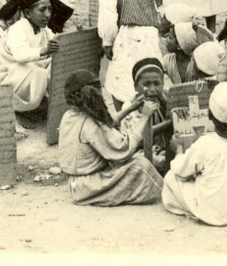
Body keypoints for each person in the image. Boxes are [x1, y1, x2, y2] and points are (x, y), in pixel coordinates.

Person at [58, 70, 164, 206]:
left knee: (135, 161)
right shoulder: (90, 124)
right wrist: (145, 116)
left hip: (76, 183)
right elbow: (123, 148)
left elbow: (106, 123)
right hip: (88, 186)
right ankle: (167, 193)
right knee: (142, 166)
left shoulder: (69, 115)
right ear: (93, 95)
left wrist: (130, 108)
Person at [161, 82, 227, 226]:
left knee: (171, 177)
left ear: (209, 114)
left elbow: (180, 172)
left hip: (215, 215)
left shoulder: (205, 144)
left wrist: (178, 150)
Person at [98, 0, 162, 109]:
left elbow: (108, 18)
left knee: (121, 85)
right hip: (150, 37)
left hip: (128, 36)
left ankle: (125, 119)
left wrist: (107, 42)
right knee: (145, 81)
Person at [0, 0, 59, 126]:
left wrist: (68, 40)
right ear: (28, 13)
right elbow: (20, 55)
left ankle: (31, 103)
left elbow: (56, 40)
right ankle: (19, 109)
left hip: (20, 76)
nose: (47, 14)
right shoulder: (18, 28)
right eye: (42, 10)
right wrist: (44, 51)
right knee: (38, 72)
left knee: (52, 65)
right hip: (3, 78)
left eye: (49, 9)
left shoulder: (43, 29)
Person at [120, 57, 174, 174]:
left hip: (165, 149)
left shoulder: (167, 98)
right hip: (142, 153)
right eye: (146, 84)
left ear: (163, 83)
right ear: (135, 86)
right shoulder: (129, 107)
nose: (152, 89)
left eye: (157, 83)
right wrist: (167, 124)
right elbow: (134, 141)